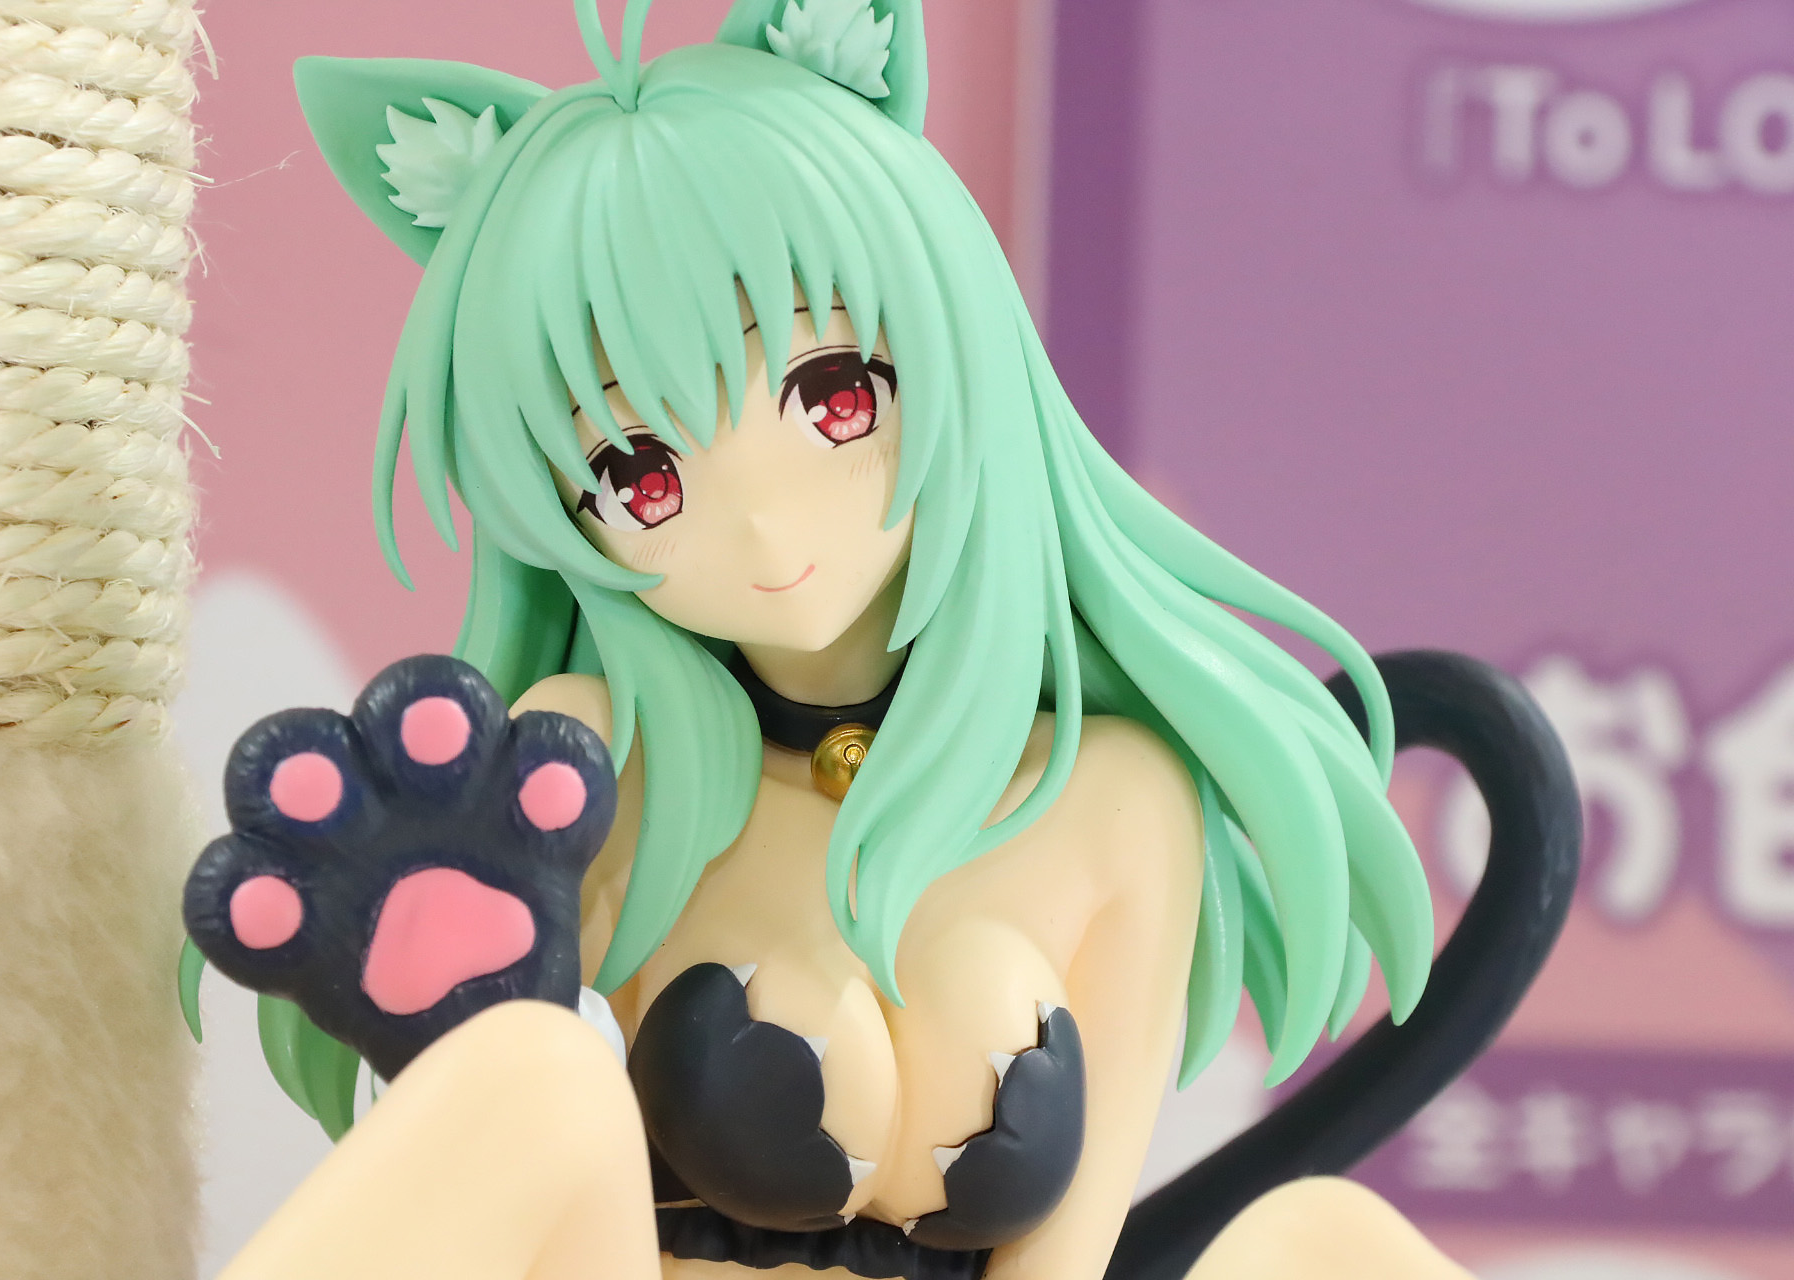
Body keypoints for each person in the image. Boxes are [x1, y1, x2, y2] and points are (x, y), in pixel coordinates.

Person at [186, 2, 1568, 1276]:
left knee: (1322, 1240)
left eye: (834, 392)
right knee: (530, 1080)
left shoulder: (1114, 807)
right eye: (638, 475)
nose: (761, 522)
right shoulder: (592, 765)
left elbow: (1063, 1259)